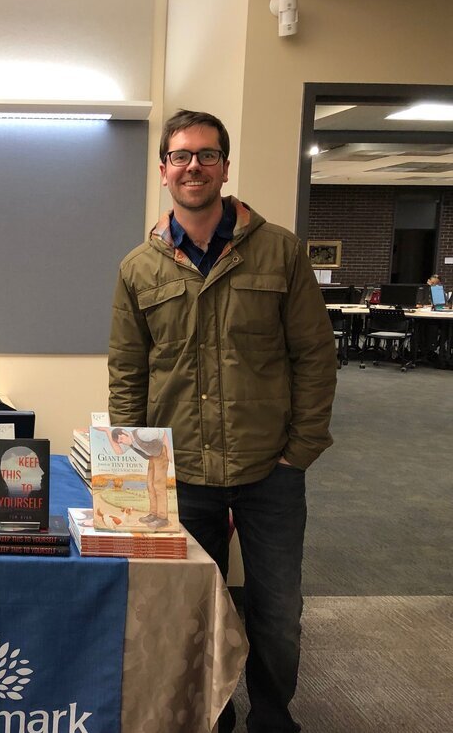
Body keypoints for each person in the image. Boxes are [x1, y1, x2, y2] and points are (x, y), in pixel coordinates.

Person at [108, 110, 337, 733]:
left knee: (276, 608)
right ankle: (209, 714)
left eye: (207, 155)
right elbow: (128, 373)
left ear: (224, 167)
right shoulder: (139, 268)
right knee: (187, 609)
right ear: (163, 170)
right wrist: (131, 466)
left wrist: (302, 448)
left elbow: (315, 355)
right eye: (181, 156)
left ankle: (271, 713)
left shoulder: (279, 251)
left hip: (270, 468)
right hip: (177, 474)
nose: (193, 167)